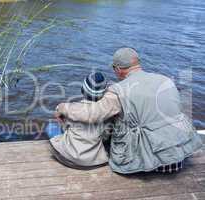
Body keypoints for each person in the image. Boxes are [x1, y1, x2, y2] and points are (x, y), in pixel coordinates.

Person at [55, 47, 203, 174]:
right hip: (178, 158)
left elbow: (92, 114)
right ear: (137, 63)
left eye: (114, 69)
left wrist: (62, 107)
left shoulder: (118, 91)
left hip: (148, 165)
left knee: (112, 122)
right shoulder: (165, 80)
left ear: (118, 69)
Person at [48, 72, 113, 169]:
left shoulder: (72, 108)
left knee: (50, 127)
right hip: (92, 162)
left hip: (66, 158)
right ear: (103, 94)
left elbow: (61, 117)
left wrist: (65, 125)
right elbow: (105, 136)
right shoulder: (106, 113)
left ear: (83, 89)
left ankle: (65, 141)